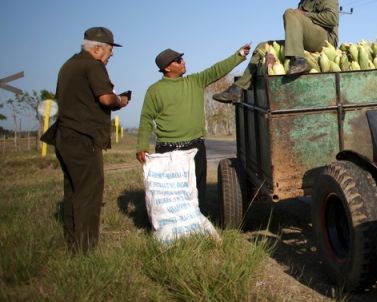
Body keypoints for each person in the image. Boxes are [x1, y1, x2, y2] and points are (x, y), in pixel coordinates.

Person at [136, 44, 251, 215]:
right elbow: (146, 118)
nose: (183, 62)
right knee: (173, 191)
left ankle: (197, 221)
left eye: (181, 58)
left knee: (197, 188)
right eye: (178, 60)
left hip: (195, 146)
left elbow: (216, 70)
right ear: (167, 68)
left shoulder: (195, 81)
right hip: (168, 149)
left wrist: (239, 55)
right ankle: (174, 225)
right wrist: (141, 146)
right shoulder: (154, 91)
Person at [46, 27, 130, 252]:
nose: (111, 55)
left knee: (72, 190)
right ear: (96, 48)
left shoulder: (68, 66)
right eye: (110, 50)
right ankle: (85, 249)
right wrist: (119, 100)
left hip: (64, 136)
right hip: (84, 138)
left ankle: (72, 241)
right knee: (89, 193)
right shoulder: (93, 65)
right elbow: (104, 98)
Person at [213, 0, 338, 103]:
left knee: (290, 12)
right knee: (263, 46)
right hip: (308, 40)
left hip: (325, 41)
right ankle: (238, 89)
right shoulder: (303, 1)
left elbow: (332, 19)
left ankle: (299, 61)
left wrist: (305, 14)